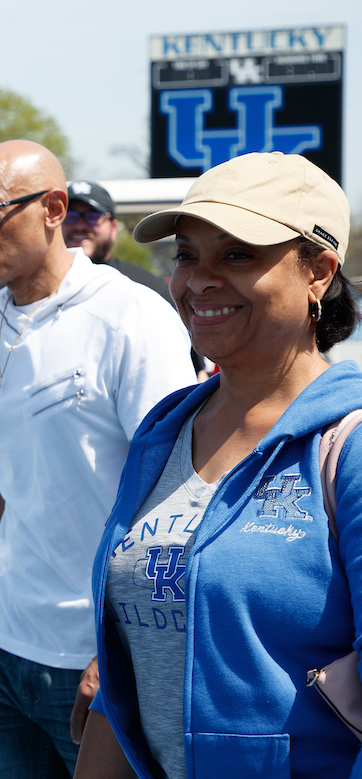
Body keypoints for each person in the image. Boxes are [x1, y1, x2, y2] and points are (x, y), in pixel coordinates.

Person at [74, 152, 362, 779]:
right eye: (186, 255)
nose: (199, 279)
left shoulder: (350, 446)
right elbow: (126, 678)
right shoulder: (165, 429)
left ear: (318, 271)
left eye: (237, 255)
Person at [0, 140, 196, 779]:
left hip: (97, 660)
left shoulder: (130, 317)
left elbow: (175, 493)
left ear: (52, 208)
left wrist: (118, 649)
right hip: (1, 653)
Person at [63, 180, 208, 380]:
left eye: (93, 216)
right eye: (69, 216)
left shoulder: (148, 291)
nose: (80, 225)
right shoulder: (28, 293)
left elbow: (193, 374)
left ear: (113, 228)